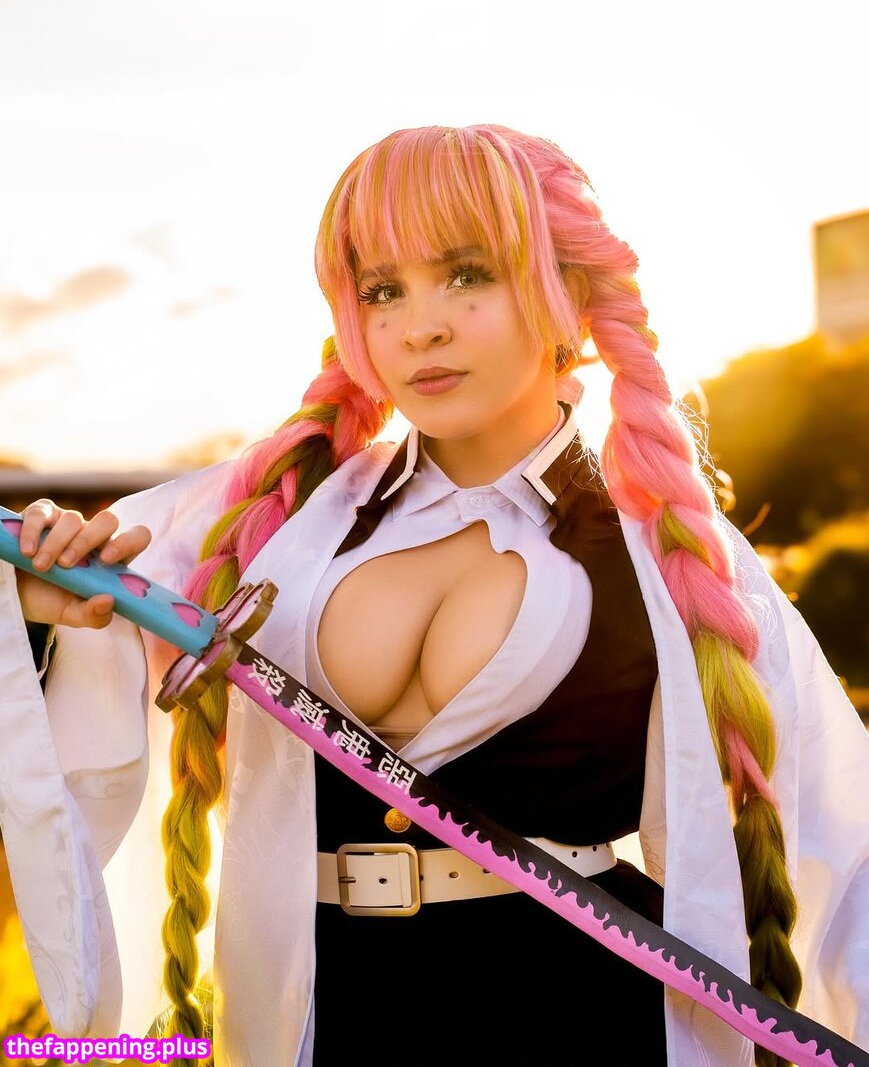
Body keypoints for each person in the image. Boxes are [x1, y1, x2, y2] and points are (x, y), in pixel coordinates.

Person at [2, 124, 868, 1067]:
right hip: (327, 1015)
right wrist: (49, 611)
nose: (420, 327)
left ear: (568, 294)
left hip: (578, 1020)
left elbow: (841, 844)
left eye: (467, 275)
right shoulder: (274, 515)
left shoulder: (675, 556)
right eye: (383, 291)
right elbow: (86, 678)